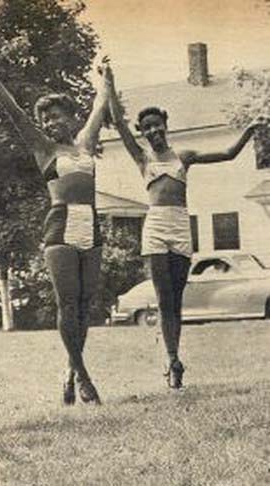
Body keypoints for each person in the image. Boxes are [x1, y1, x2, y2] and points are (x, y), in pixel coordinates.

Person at [106, 64, 264, 388]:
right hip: (155, 228)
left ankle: (173, 356)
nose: (152, 131)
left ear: (166, 124)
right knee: (164, 299)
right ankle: (173, 358)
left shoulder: (185, 155)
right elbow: (119, 124)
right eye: (146, 127)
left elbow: (228, 153)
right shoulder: (141, 158)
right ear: (143, 131)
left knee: (176, 299)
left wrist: (250, 129)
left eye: (157, 125)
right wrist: (108, 84)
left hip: (180, 226)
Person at [0, 56, 111, 405]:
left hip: (91, 223)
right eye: (46, 118)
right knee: (67, 303)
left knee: (85, 305)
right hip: (60, 225)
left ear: (70, 117)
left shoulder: (85, 143)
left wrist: (106, 77)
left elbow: (101, 106)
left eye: (57, 116)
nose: (51, 122)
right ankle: (83, 377)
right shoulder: (43, 148)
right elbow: (13, 111)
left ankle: (70, 371)